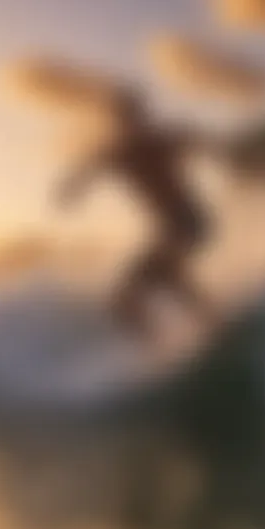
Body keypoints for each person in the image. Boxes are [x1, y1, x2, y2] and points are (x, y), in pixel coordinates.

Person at [54, 88, 214, 340]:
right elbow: (90, 167)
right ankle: (200, 327)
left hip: (187, 220)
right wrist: (72, 187)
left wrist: (201, 139)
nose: (130, 123)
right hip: (172, 226)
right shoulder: (121, 152)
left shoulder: (158, 141)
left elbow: (195, 138)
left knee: (146, 285)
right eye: (124, 119)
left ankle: (200, 326)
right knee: (145, 289)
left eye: (133, 116)